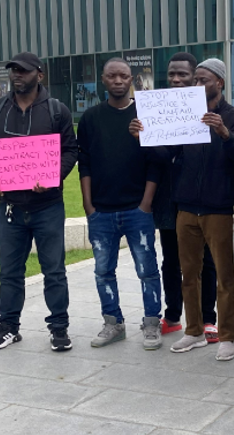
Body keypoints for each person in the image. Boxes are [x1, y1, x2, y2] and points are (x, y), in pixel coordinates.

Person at [130, 58, 234, 361]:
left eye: (203, 79)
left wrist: (224, 132)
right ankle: (194, 330)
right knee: (188, 274)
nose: (196, 85)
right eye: (195, 79)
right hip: (185, 207)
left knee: (225, 276)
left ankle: (227, 336)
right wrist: (143, 137)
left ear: (219, 83)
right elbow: (167, 152)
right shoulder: (187, 115)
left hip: (218, 208)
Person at [0, 52, 78, 352]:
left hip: (48, 207)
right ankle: (8, 326)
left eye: (23, 70)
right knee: (9, 271)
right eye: (13, 71)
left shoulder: (57, 111)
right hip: (10, 208)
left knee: (54, 270)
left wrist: (54, 174)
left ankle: (59, 327)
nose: (17, 75)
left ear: (39, 75)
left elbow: (71, 150)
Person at [77, 58, 164, 350]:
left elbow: (155, 164)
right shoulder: (90, 118)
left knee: (147, 269)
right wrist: (89, 206)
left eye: (123, 76)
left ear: (132, 80)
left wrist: (146, 204)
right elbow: (84, 164)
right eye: (112, 76)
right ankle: (113, 323)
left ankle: (152, 324)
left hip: (137, 209)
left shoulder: (144, 114)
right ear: (103, 79)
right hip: (101, 211)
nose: (117, 81)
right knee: (103, 270)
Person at [151, 52, 220, 343]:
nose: (177, 80)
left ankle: (207, 318)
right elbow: (161, 156)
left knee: (206, 260)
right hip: (168, 197)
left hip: (199, 198)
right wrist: (145, 135)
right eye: (172, 75)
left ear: (195, 78)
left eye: (183, 75)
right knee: (171, 259)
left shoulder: (209, 112)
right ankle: (173, 314)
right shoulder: (159, 109)